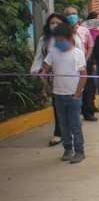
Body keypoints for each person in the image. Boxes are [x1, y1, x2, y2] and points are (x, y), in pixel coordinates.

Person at [40, 22, 88, 164]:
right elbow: (45, 68)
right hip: (58, 95)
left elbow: (84, 75)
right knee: (63, 125)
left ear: (69, 38)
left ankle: (79, 151)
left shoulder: (78, 54)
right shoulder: (53, 52)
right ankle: (67, 149)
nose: (59, 43)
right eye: (57, 40)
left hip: (73, 95)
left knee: (75, 124)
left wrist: (78, 94)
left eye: (61, 40)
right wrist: (44, 78)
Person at [31, 13, 68, 146]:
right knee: (57, 104)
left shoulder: (71, 37)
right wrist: (36, 70)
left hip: (68, 76)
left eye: (57, 23)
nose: (54, 25)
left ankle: (71, 128)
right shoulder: (44, 39)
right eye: (52, 23)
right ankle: (58, 132)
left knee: (70, 105)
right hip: (52, 78)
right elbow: (39, 57)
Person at [65, 6, 97, 122]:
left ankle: (88, 112)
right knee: (73, 88)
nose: (72, 16)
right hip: (69, 65)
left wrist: (86, 59)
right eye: (69, 14)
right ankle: (74, 113)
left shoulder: (84, 30)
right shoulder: (63, 31)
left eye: (74, 13)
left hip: (84, 63)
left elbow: (90, 45)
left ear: (78, 15)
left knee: (88, 88)